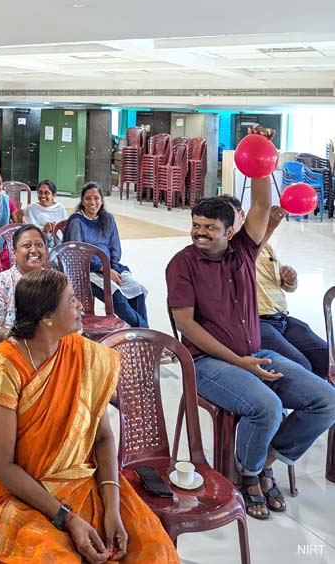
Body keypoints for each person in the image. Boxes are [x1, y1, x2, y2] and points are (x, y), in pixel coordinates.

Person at [0, 269, 179, 564]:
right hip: (24, 491)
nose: (82, 304)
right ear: (46, 318)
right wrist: (67, 519)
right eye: (71, 300)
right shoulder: (4, 367)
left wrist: (112, 506)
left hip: (84, 478)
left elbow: (104, 436)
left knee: (155, 552)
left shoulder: (83, 354)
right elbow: (4, 467)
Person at [166, 169, 335, 521]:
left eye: (209, 227)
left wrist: (261, 162)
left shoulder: (244, 250)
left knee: (326, 400)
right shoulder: (182, 264)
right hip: (206, 363)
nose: (199, 232)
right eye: (196, 225)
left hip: (256, 354)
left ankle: (259, 462)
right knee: (268, 407)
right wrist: (240, 363)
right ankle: (249, 473)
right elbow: (185, 325)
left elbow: (261, 202)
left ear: (230, 231)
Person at [221, 196, 328, 379]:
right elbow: (243, 263)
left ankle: (323, 402)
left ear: (242, 216)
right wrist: (269, 227)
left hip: (282, 319)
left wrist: (290, 279)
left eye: (232, 216)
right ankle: (309, 402)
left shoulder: (266, 247)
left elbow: (285, 286)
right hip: (256, 323)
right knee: (301, 367)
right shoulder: (224, 248)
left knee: (327, 357)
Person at [64, 182, 148, 329]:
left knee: (137, 290)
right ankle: (145, 331)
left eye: (96, 198)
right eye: (88, 198)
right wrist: (105, 270)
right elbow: (76, 254)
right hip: (87, 272)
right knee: (117, 297)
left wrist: (113, 268)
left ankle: (139, 333)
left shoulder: (108, 219)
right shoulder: (77, 221)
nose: (92, 202)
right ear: (82, 201)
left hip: (111, 268)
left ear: (102, 200)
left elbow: (115, 248)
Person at [0, 225, 47, 347]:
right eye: (27, 246)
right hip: (5, 354)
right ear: (14, 253)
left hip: (46, 352)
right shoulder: (0, 283)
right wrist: (20, 335)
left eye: (39, 245)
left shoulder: (55, 282)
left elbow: (70, 321)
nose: (34, 250)